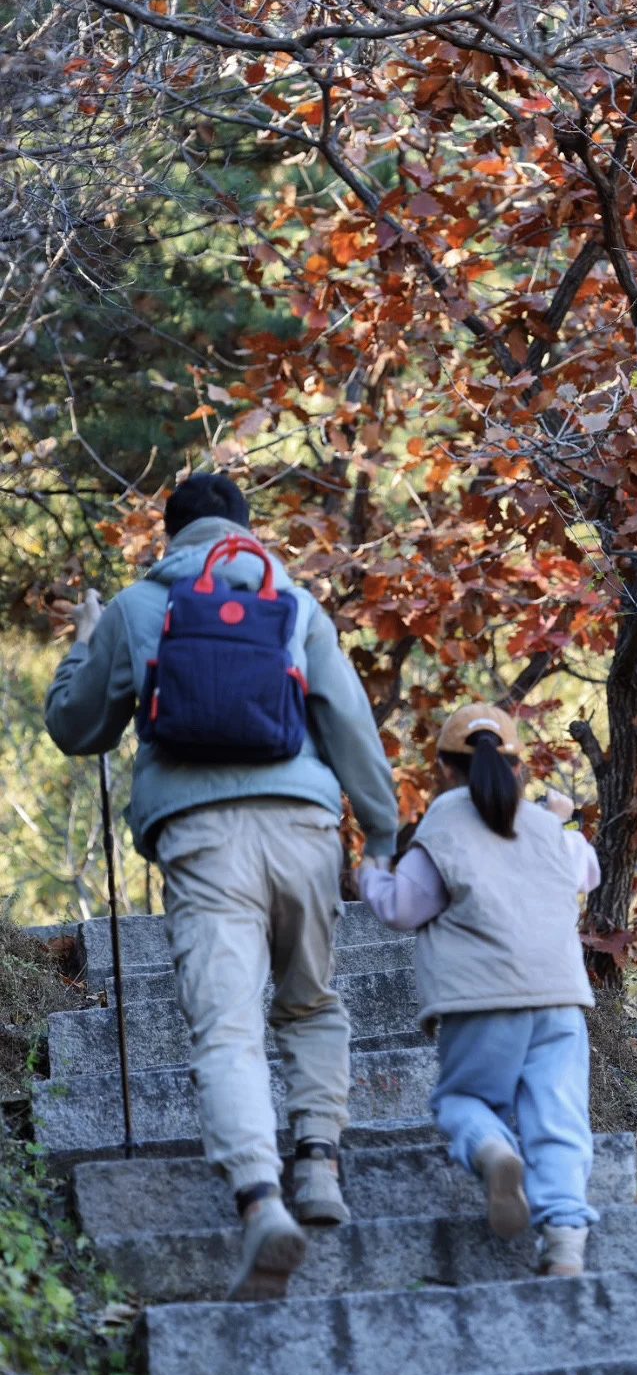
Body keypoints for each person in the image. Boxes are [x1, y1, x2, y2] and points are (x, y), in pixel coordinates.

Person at [45, 473, 398, 1301]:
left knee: (227, 1026)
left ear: (170, 537)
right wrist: (379, 835)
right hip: (303, 829)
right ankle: (317, 1167)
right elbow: (346, 719)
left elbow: (76, 728)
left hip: (201, 840)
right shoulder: (297, 601)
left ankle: (259, 1199)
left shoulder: (139, 606)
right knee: (310, 1002)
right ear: (245, 528)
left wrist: (85, 640)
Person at [357, 702, 600, 1277]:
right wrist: (562, 819)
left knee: (462, 1101)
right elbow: (586, 872)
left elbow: (403, 908)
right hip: (559, 999)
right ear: (517, 768)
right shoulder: (545, 827)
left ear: (443, 769)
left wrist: (368, 870)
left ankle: (492, 1150)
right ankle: (565, 1236)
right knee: (560, 1114)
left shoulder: (442, 825)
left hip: (480, 1004)